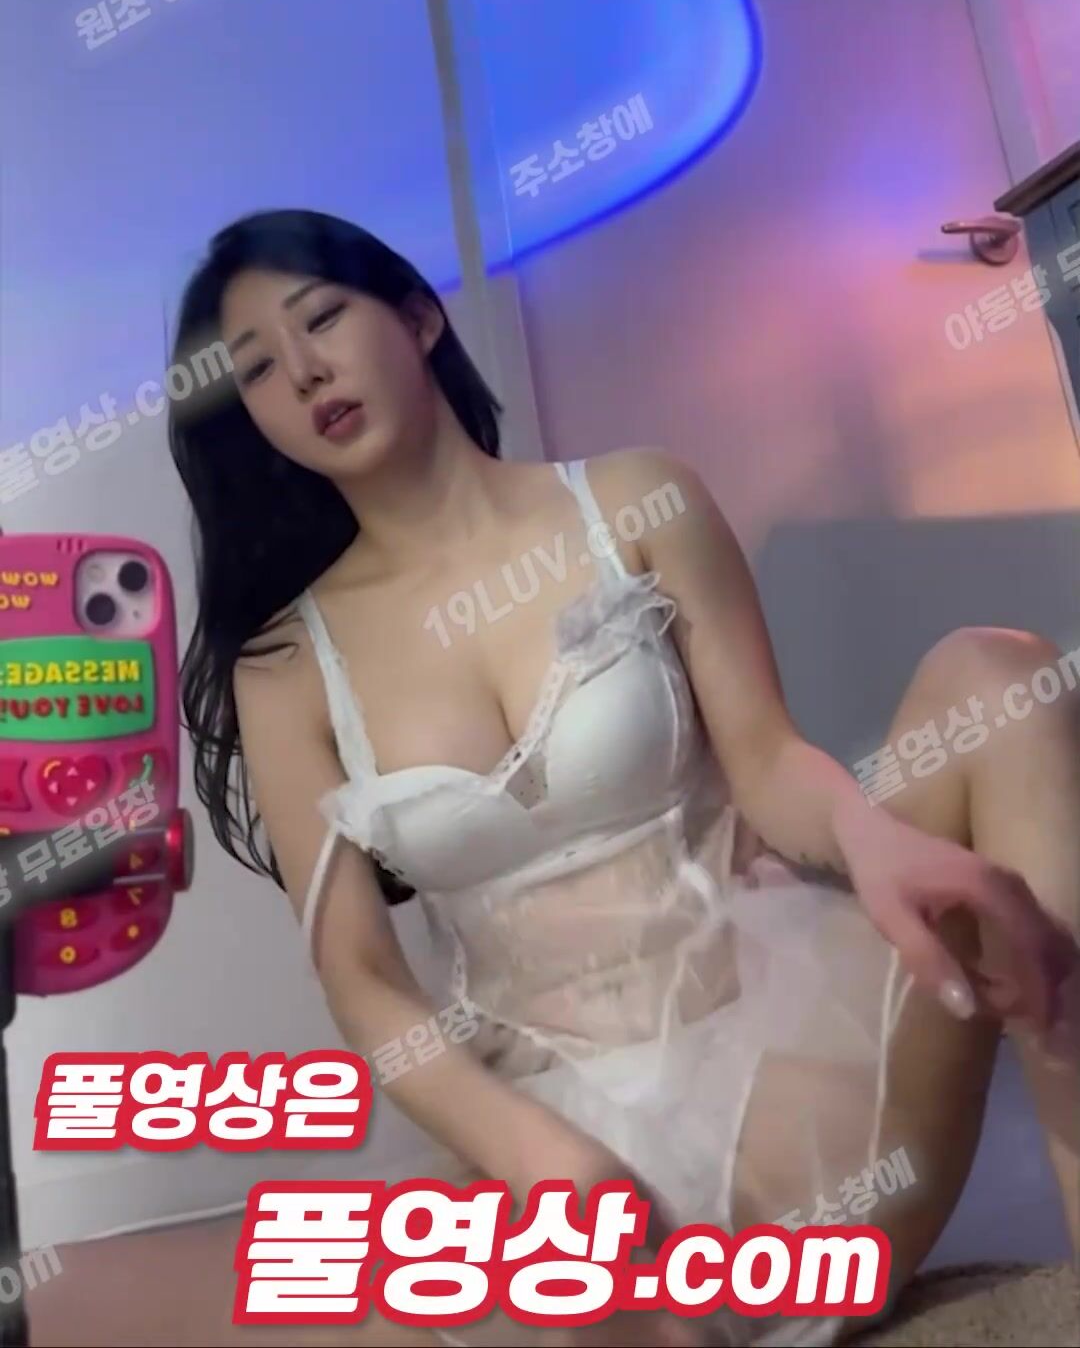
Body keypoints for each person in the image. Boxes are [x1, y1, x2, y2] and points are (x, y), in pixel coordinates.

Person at [169, 207, 1079, 1348]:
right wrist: (540, 1159)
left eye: (322, 320)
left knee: (997, 676)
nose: (304, 374)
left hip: (792, 1060)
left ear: (416, 317)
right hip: (540, 1130)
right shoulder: (286, 665)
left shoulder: (639, 501)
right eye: (256, 369)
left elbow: (768, 763)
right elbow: (362, 981)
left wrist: (869, 834)